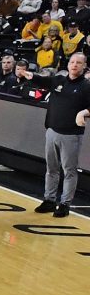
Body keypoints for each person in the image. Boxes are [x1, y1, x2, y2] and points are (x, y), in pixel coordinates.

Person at [35, 51, 90, 218]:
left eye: (78, 63)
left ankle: (65, 204)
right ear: (68, 64)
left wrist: (85, 112)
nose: (74, 65)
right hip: (52, 130)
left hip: (71, 134)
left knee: (69, 170)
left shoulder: (86, 86)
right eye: (72, 62)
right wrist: (29, 75)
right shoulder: (59, 80)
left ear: (84, 66)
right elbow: (42, 81)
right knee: (51, 168)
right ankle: (49, 200)